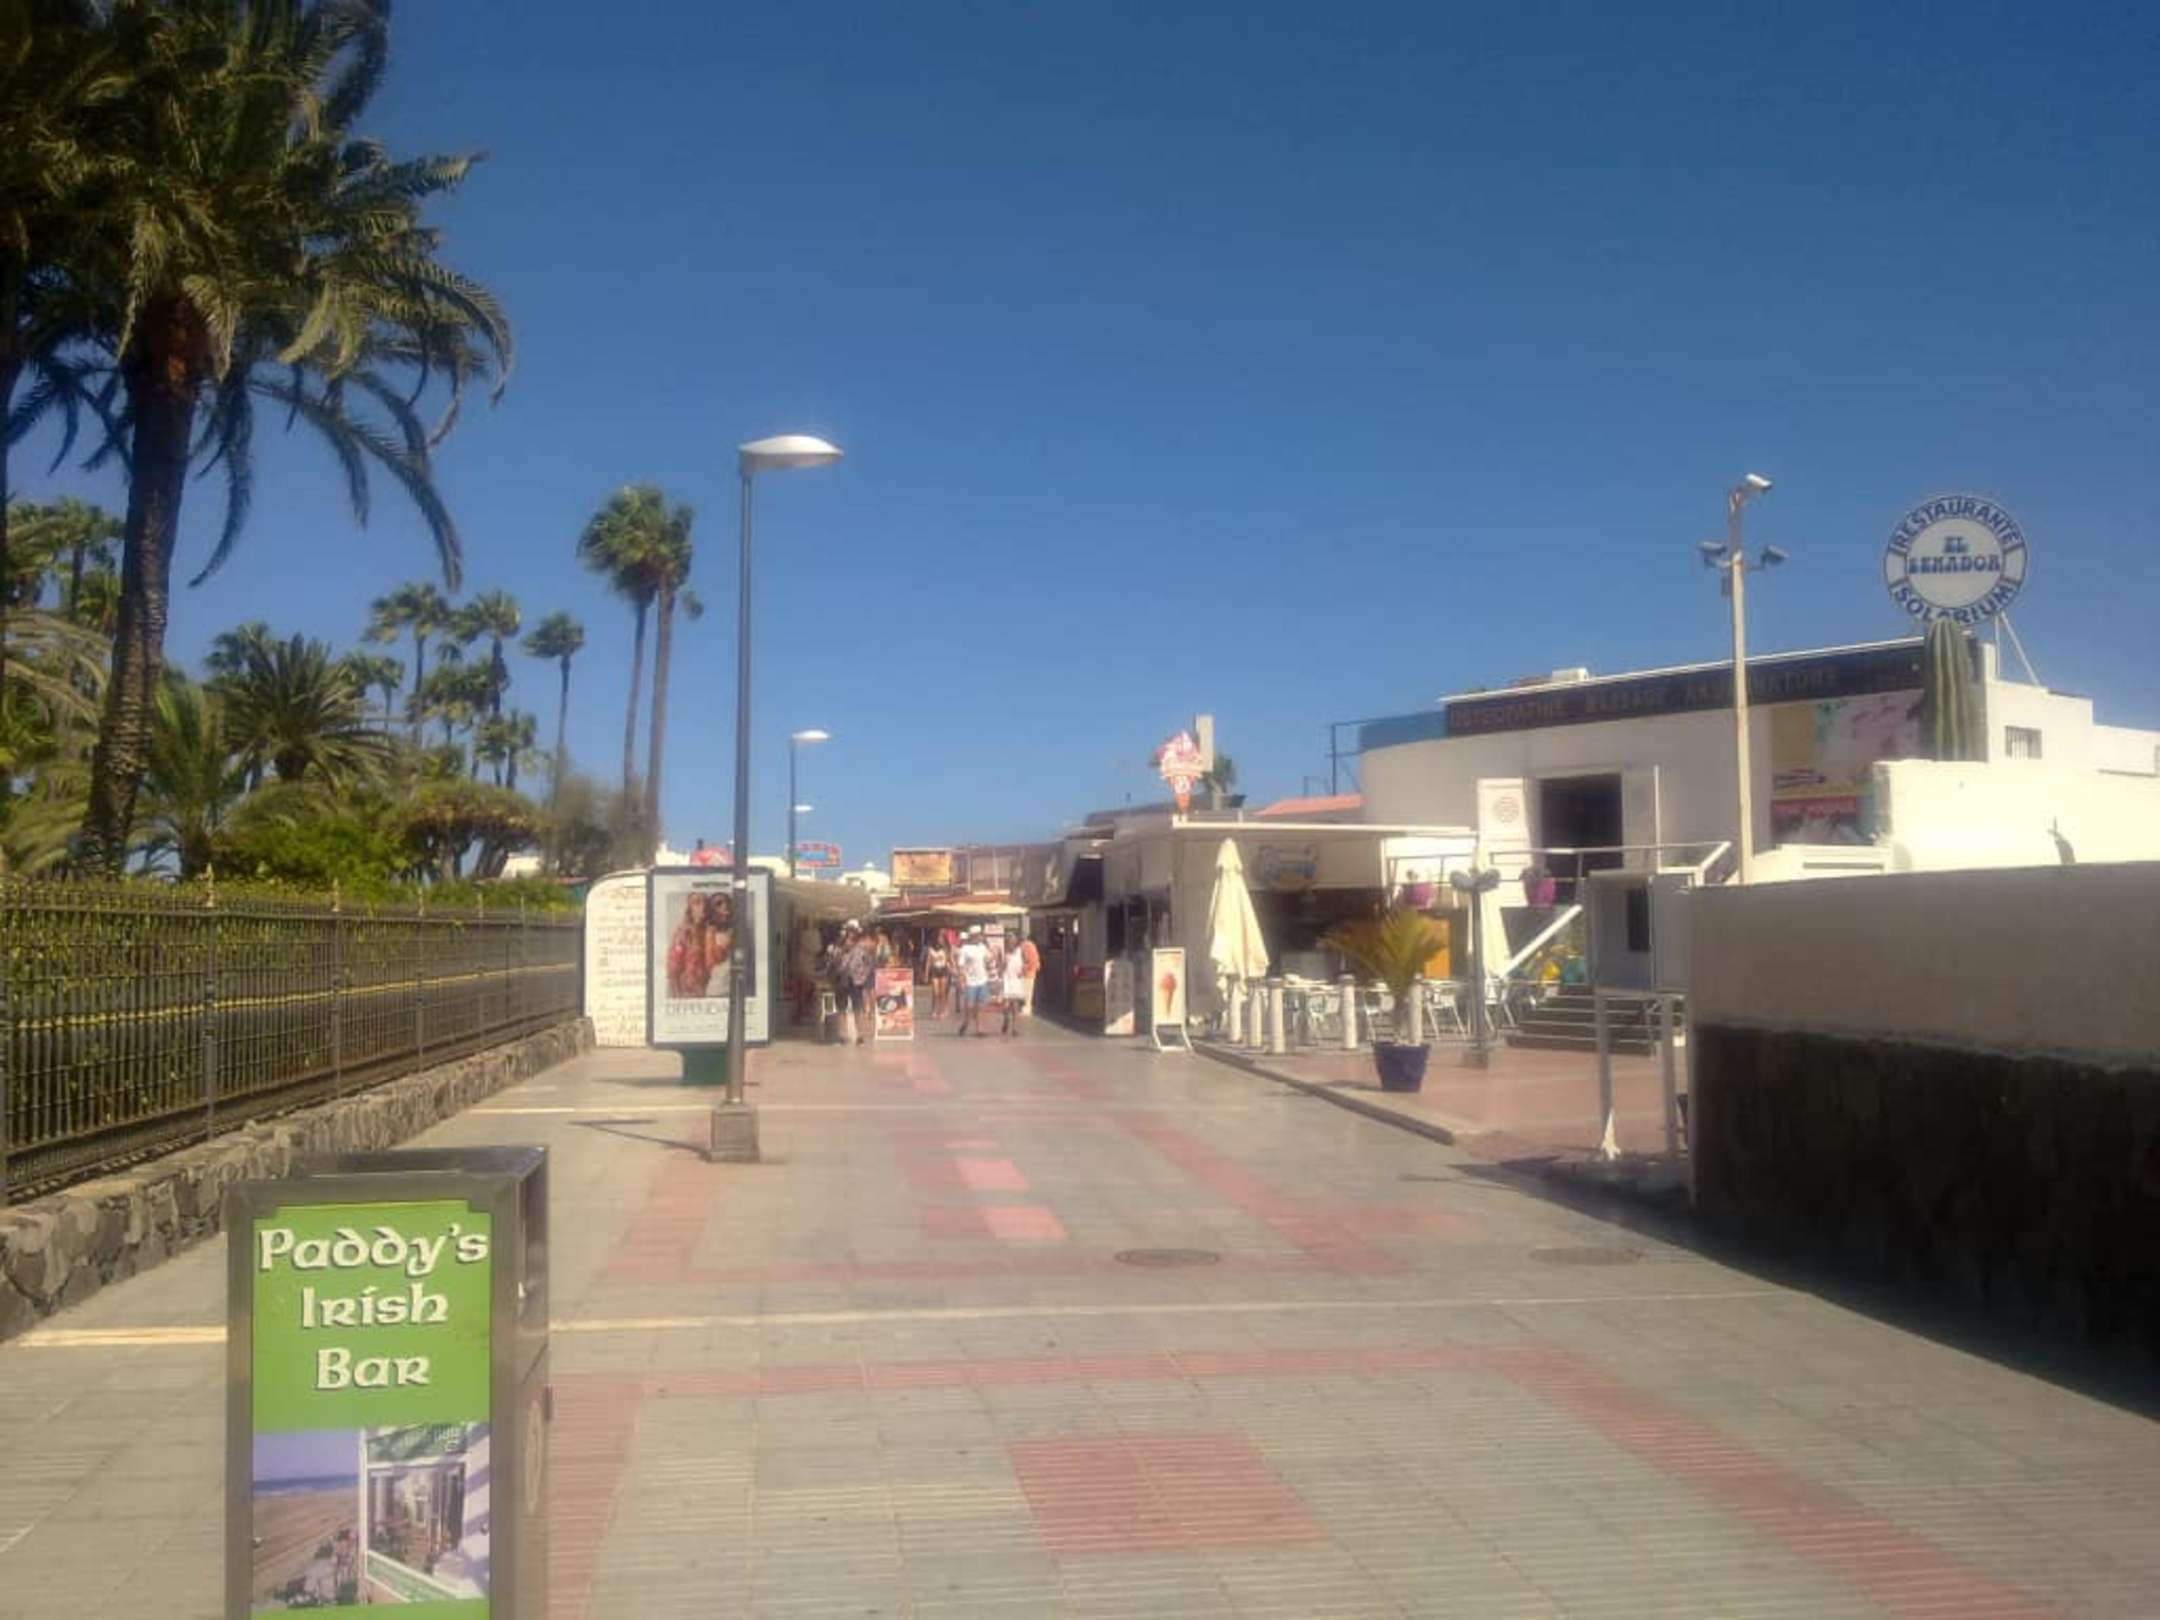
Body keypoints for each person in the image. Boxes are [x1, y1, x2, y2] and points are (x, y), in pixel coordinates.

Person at [839, 923, 876, 1045]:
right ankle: (843, 1035)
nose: (849, 941)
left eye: (851, 937)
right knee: (842, 1008)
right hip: (842, 981)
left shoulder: (861, 950)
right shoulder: (839, 949)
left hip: (856, 982)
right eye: (847, 937)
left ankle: (860, 1035)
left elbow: (869, 963)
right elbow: (836, 964)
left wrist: (863, 976)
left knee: (858, 1008)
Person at [955, 927, 991, 1037]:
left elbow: (988, 959)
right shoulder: (965, 949)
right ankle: (966, 1022)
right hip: (970, 981)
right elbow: (960, 965)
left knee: (980, 1006)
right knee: (969, 1006)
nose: (980, 937)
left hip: (982, 980)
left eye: (981, 935)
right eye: (979, 935)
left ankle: (979, 1029)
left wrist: (991, 957)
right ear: (973, 936)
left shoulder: (982, 947)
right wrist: (961, 979)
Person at [999, 936, 1029, 1036]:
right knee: (1005, 1005)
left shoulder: (1020, 951)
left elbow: (1026, 962)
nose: (1012, 944)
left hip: (1016, 981)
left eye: (1014, 942)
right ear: (1007, 943)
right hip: (1007, 981)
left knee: (1015, 1006)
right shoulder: (1004, 953)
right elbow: (1000, 969)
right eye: (1010, 942)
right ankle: (1006, 1019)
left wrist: (1023, 970)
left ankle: (1014, 1028)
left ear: (1016, 943)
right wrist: (1004, 963)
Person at [926, 937, 951, 1018]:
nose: (939, 941)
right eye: (938, 940)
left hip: (943, 970)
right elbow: (928, 962)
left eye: (941, 940)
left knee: (942, 993)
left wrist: (951, 969)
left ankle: (941, 1010)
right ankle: (934, 1010)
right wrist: (926, 974)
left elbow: (948, 961)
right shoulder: (931, 950)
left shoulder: (945, 950)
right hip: (934, 970)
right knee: (935, 993)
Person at [1018, 932, 1041, 1019]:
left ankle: (1027, 1008)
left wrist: (1023, 969)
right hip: (1031, 971)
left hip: (1027, 971)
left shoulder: (1025, 946)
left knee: (1026, 991)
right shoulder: (1031, 945)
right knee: (1028, 990)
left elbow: (1029, 959)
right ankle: (1026, 1007)